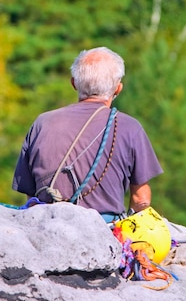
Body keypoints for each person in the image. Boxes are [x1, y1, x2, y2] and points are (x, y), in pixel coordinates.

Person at [12, 46, 163, 223]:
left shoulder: (42, 123)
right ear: (118, 88)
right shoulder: (130, 127)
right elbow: (141, 200)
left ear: (73, 83)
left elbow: (30, 196)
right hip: (103, 231)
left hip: (46, 225)